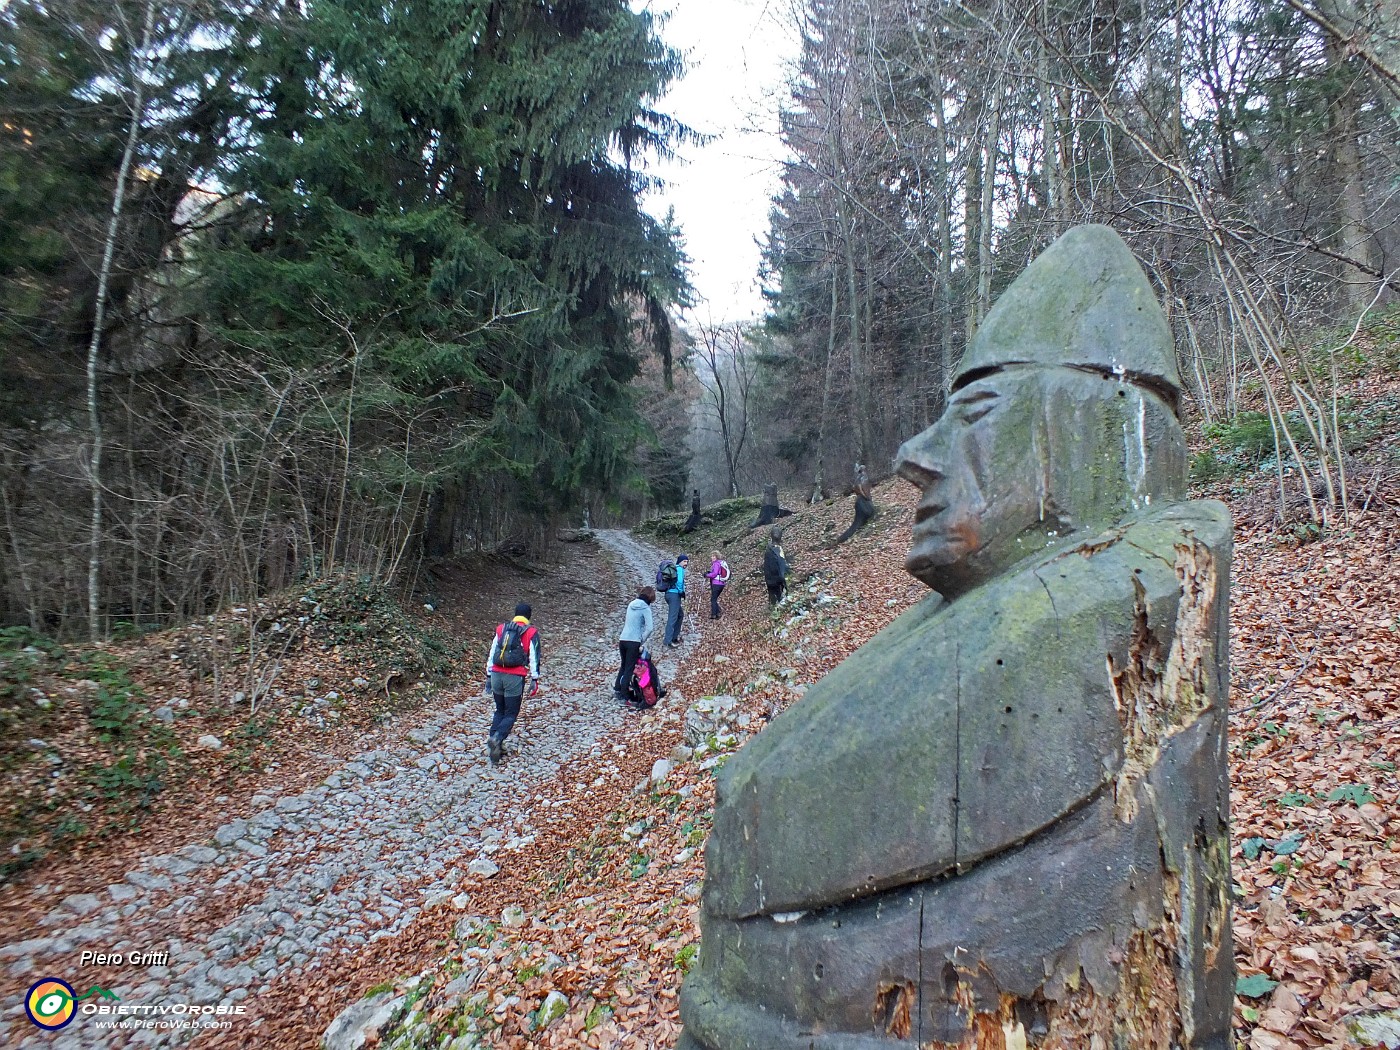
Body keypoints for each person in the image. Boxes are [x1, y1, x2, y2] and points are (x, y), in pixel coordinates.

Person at [678, 225, 1234, 1050]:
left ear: (1078, 432)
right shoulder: (991, 624)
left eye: (971, 415)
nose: (914, 456)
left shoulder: (1117, 614)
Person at [483, 602, 540, 765]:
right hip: (514, 678)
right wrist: (534, 679)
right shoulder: (531, 632)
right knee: (511, 713)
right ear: (529, 616)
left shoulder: (502, 629)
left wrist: (488, 674)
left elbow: (493, 651)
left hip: (496, 675)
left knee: (499, 710)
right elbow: (534, 657)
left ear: (515, 614)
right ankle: (498, 737)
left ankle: (495, 743)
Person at [615, 585, 655, 705]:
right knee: (629, 668)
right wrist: (641, 640)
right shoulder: (645, 609)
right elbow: (650, 628)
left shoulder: (631, 604)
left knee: (623, 665)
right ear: (651, 598)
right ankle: (624, 695)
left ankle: (617, 688)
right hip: (633, 641)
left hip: (623, 639)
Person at [663, 553, 688, 646]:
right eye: (684, 561)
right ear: (680, 561)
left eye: (687, 561)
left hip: (669, 594)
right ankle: (668, 641)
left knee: (680, 615)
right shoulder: (679, 569)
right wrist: (681, 591)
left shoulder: (674, 569)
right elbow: (680, 581)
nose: (686, 563)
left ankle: (674, 637)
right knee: (673, 618)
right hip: (674, 595)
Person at [704, 550, 730, 619]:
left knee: (713, 599)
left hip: (716, 583)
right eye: (711, 556)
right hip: (722, 583)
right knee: (714, 598)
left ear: (717, 557)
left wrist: (707, 575)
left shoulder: (716, 564)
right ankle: (717, 612)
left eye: (713, 556)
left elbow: (714, 574)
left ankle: (714, 614)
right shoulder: (721, 563)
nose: (712, 557)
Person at [761, 540, 788, 605]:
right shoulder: (777, 551)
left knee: (773, 598)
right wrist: (783, 581)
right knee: (778, 598)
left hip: (770, 580)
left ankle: (772, 607)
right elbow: (781, 566)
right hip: (776, 581)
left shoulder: (768, 550)